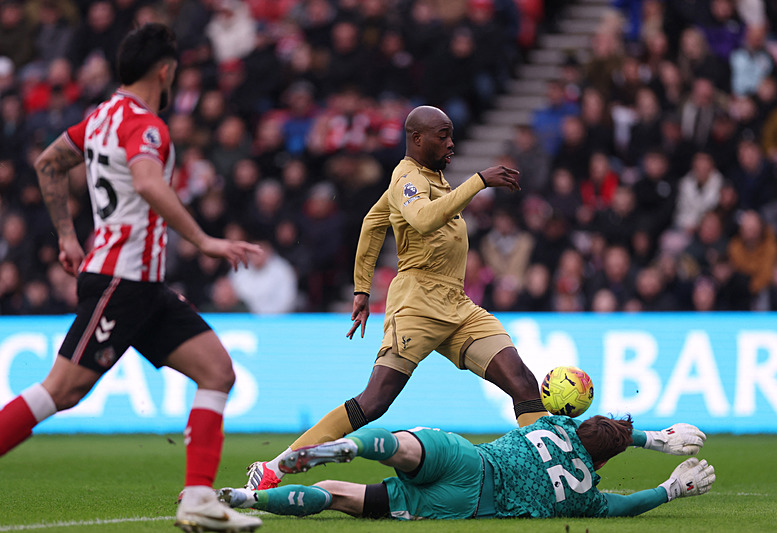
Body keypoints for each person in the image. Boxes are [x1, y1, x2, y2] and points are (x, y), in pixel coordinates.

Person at [0, 24, 263, 533]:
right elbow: (146, 182)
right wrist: (204, 240)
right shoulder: (146, 125)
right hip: (120, 282)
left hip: (142, 286)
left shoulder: (99, 117)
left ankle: (198, 499)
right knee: (61, 391)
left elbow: (48, 162)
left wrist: (67, 236)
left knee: (217, 371)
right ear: (165, 72)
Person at [245, 105, 544, 490]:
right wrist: (479, 181)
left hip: (457, 305)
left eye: (452, 136)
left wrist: (361, 288)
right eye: (443, 136)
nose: (451, 143)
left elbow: (373, 223)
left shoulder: (430, 179)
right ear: (417, 138)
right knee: (375, 401)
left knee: (522, 380)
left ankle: (547, 476)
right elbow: (422, 219)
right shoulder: (407, 178)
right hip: (418, 304)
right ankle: (274, 468)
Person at [220, 415, 714, 520]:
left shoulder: (556, 423)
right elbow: (625, 506)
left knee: (400, 447)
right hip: (463, 503)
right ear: (602, 460)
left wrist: (655, 438)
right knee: (336, 494)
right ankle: (247, 500)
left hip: (467, 458)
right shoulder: (584, 497)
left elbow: (605, 429)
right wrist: (670, 488)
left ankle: (350, 445)